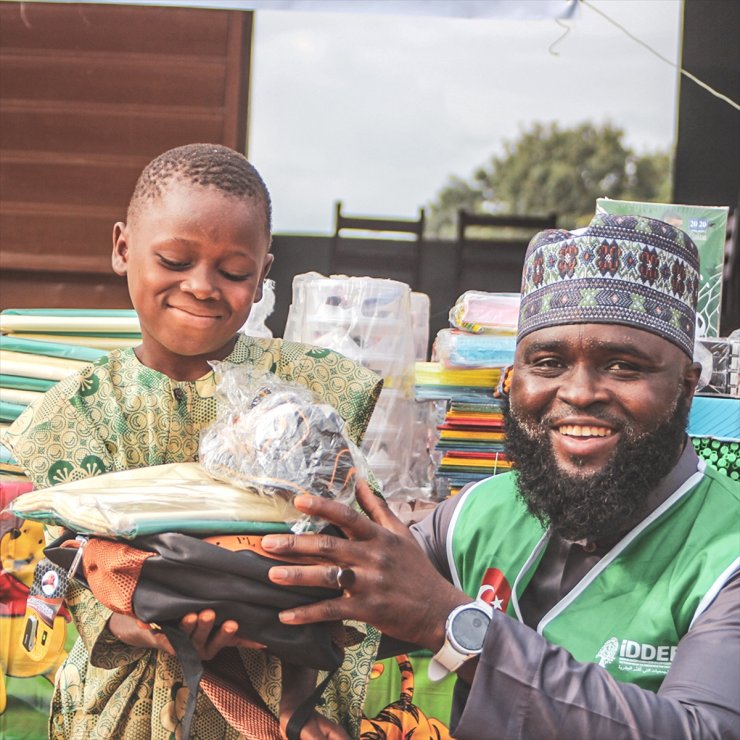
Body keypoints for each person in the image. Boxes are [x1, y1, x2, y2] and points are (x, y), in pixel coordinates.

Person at [262, 214, 740, 738]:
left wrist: (455, 625)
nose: (579, 393)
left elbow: (703, 730)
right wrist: (284, 679)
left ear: (687, 386)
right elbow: (338, 601)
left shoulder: (726, 552)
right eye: (549, 362)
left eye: (624, 366)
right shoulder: (480, 514)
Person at [2, 143, 383, 740]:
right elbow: (75, 575)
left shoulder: (312, 387)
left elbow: (347, 536)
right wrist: (136, 617)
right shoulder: (76, 413)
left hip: (288, 698)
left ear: (261, 277)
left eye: (233, 271)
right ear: (123, 248)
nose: (203, 287)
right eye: (175, 260)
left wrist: (296, 697)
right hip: (128, 712)